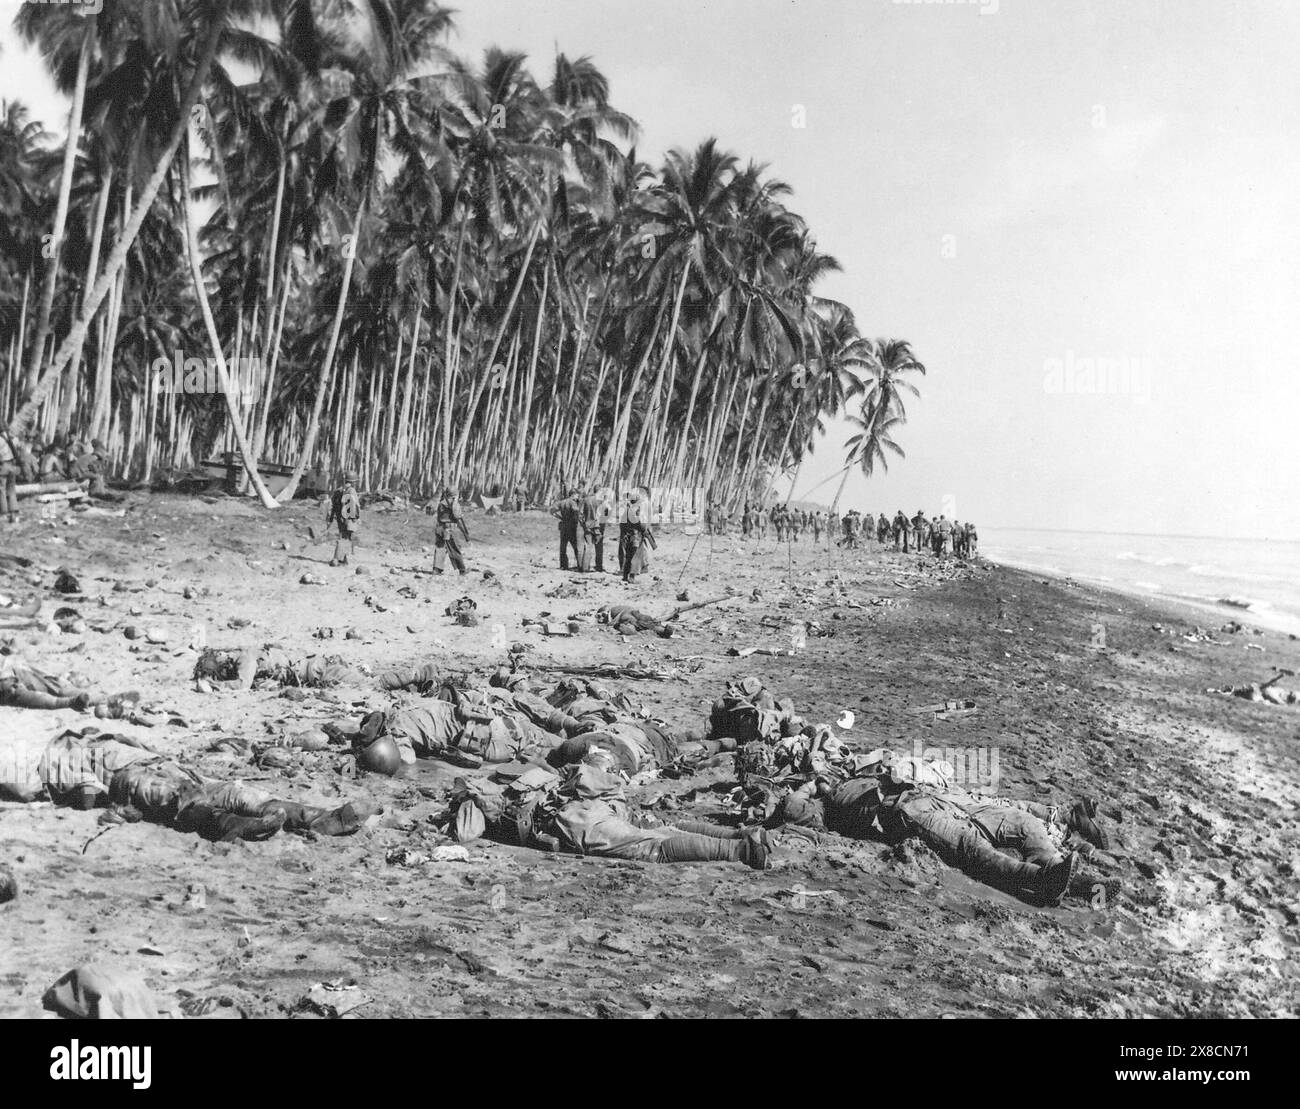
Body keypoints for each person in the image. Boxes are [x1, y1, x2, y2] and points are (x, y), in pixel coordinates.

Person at [781, 776, 1081, 906]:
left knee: (1020, 820)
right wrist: (812, 785)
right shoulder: (826, 807)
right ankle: (1039, 879)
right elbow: (791, 809)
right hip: (905, 812)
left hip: (937, 794)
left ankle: (1057, 867)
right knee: (970, 845)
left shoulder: (854, 771)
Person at [326, 472, 361, 566]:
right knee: (345, 538)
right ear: (353, 482)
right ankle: (337, 559)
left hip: (339, 518)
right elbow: (353, 506)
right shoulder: (351, 491)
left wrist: (330, 519)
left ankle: (343, 560)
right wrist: (355, 519)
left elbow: (332, 506)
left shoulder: (338, 491)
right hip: (348, 518)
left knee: (344, 537)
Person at [432, 485, 469, 574]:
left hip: (440, 528)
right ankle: (462, 570)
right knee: (455, 548)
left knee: (440, 548)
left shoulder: (441, 503)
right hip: (450, 528)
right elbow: (457, 516)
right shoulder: (454, 503)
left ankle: (436, 569)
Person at [619, 489, 652, 582]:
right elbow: (641, 525)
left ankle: (625, 576)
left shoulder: (627, 511)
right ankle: (632, 577)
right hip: (636, 537)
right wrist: (645, 529)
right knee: (635, 557)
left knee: (628, 557)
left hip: (627, 537)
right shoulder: (635, 512)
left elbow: (622, 525)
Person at [552, 487, 586, 571]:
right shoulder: (572, 503)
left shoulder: (562, 502)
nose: (578, 497)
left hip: (563, 526)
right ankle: (580, 565)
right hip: (571, 527)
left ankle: (563, 565)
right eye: (577, 495)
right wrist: (577, 521)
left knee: (563, 547)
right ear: (574, 495)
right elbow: (576, 512)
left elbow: (551, 511)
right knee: (576, 546)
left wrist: (560, 517)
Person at [582, 484, 607, 572]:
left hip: (587, 525)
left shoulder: (586, 500)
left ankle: (585, 567)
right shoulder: (602, 502)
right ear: (600, 491)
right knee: (599, 547)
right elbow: (605, 515)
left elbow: (581, 514)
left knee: (588, 546)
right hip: (598, 526)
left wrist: (584, 523)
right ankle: (599, 566)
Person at [0, 431, 18, 524]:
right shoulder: (13, 438)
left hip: (3, 465)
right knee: (11, 489)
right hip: (12, 465)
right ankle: (13, 512)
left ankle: (4, 513)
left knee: (1, 489)